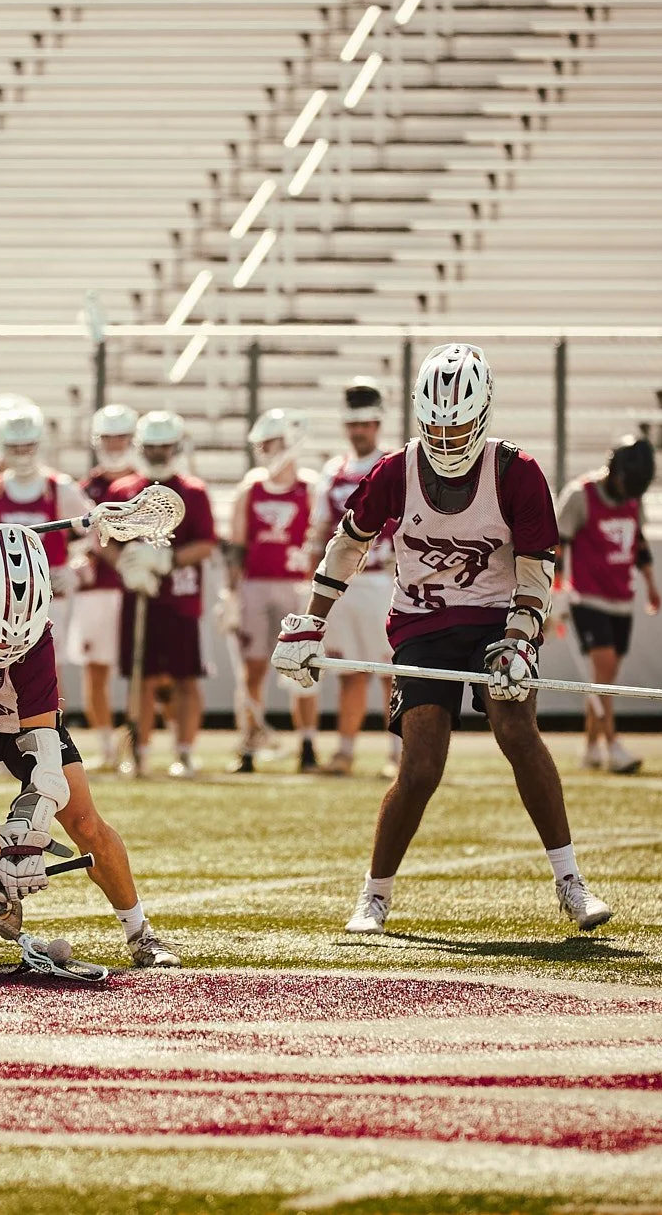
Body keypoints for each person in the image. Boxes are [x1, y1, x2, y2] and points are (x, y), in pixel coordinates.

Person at [273, 343, 614, 935]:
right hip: (422, 623)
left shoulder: (516, 472)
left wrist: (519, 640)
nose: (447, 440)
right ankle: (374, 895)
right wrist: (311, 620)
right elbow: (348, 544)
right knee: (422, 763)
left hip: (499, 620)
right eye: (436, 427)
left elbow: (537, 570)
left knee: (517, 730)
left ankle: (570, 882)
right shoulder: (395, 470)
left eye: (458, 428)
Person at [0, 523, 179, 967]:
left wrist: (29, 833)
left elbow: (42, 747)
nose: (4, 644)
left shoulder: (39, 637)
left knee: (85, 823)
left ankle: (140, 931)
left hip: (20, 727)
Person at [105, 412, 219, 776]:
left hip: (181, 597)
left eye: (164, 446)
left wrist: (167, 559)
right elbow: (104, 539)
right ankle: (139, 751)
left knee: (186, 677)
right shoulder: (122, 491)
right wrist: (127, 566)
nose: (157, 453)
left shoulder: (194, 492)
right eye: (151, 446)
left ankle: (184, 752)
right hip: (139, 596)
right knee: (142, 678)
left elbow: (206, 543)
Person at [222, 409, 321, 775]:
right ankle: (249, 744)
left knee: (304, 667)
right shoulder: (251, 487)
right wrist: (231, 593)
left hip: (296, 585)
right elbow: (237, 544)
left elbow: (319, 539)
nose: (266, 450)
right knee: (252, 668)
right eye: (262, 444)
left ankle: (307, 745)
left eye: (271, 442)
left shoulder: (309, 487)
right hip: (256, 585)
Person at [309, 378, 399, 778]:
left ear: (377, 424)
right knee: (348, 672)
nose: (359, 431)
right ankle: (345, 752)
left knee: (391, 671)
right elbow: (320, 529)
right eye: (353, 424)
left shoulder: (391, 464)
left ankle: (398, 754)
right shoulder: (333, 471)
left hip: (383, 580)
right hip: (344, 583)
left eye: (365, 424)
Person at [556, 435, 660, 774]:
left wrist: (650, 583)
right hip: (587, 597)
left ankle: (590, 749)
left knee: (605, 679)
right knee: (603, 672)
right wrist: (555, 590)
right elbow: (559, 544)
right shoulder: (580, 495)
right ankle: (612, 745)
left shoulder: (633, 499)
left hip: (621, 599)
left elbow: (638, 543)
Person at [0, 404, 92, 602]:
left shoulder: (61, 488)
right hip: (3, 599)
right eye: (14, 448)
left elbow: (93, 531)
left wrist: (77, 565)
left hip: (52, 596)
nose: (22, 454)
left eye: (28, 446)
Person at [67, 403, 137, 769]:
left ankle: (139, 745)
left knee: (145, 673)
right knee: (95, 670)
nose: (114, 444)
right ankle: (108, 746)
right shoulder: (85, 488)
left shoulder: (146, 485)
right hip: (95, 591)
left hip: (137, 591)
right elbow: (72, 538)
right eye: (108, 438)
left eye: (121, 437)